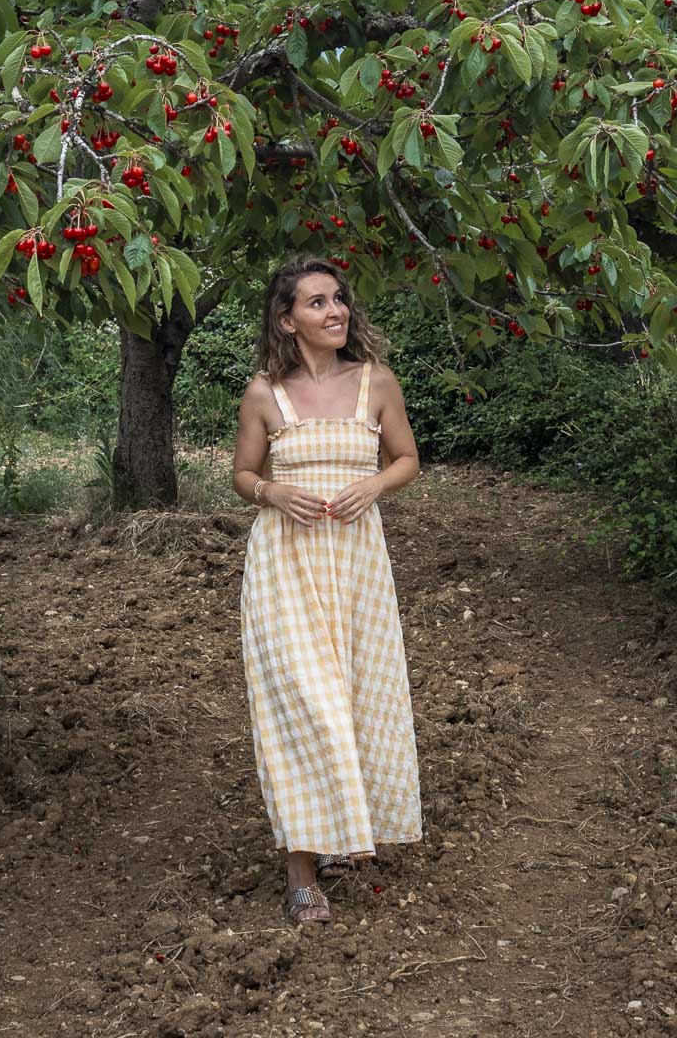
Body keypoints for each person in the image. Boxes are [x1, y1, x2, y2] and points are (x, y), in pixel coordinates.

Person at [233, 254, 423, 925]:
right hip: (285, 566)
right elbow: (242, 476)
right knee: (304, 707)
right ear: (288, 321)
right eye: (316, 303)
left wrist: (374, 484)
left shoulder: (376, 382)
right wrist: (274, 491)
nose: (335, 310)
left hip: (356, 565)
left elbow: (406, 458)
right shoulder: (264, 394)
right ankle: (299, 866)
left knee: (356, 698)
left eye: (338, 299)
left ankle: (341, 831)